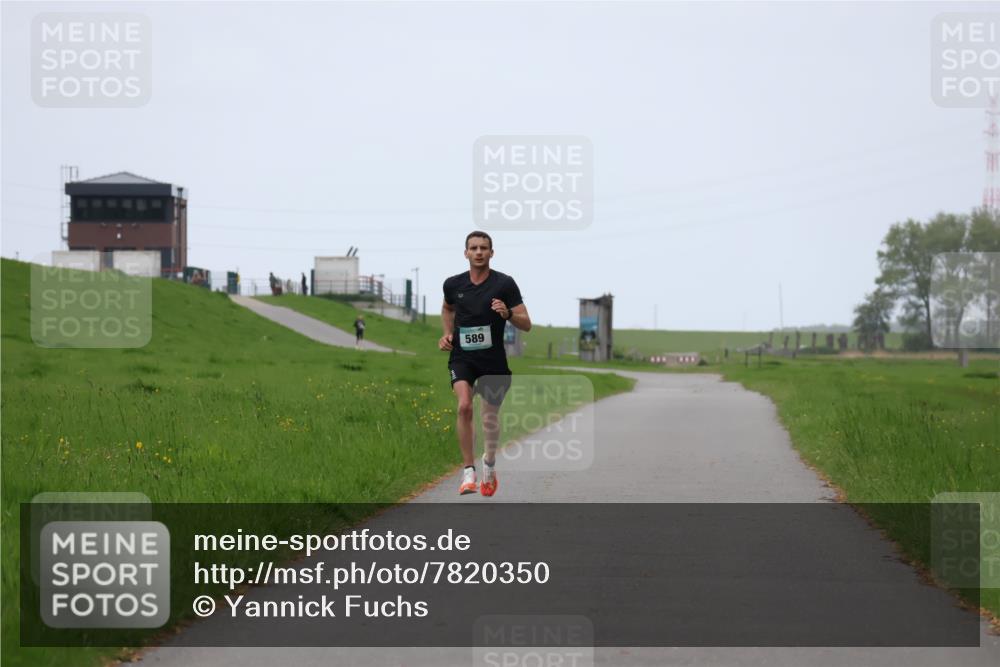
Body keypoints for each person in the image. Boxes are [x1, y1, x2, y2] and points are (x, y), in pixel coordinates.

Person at [439, 231, 531, 496]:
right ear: (465, 253)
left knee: (489, 417)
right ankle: (469, 472)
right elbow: (447, 308)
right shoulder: (453, 284)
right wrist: (447, 334)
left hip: (493, 361)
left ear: (492, 253)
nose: (478, 252)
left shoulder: (505, 284)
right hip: (463, 357)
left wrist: (508, 313)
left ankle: (489, 464)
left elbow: (527, 323)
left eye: (483, 248)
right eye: (473, 248)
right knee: (464, 406)